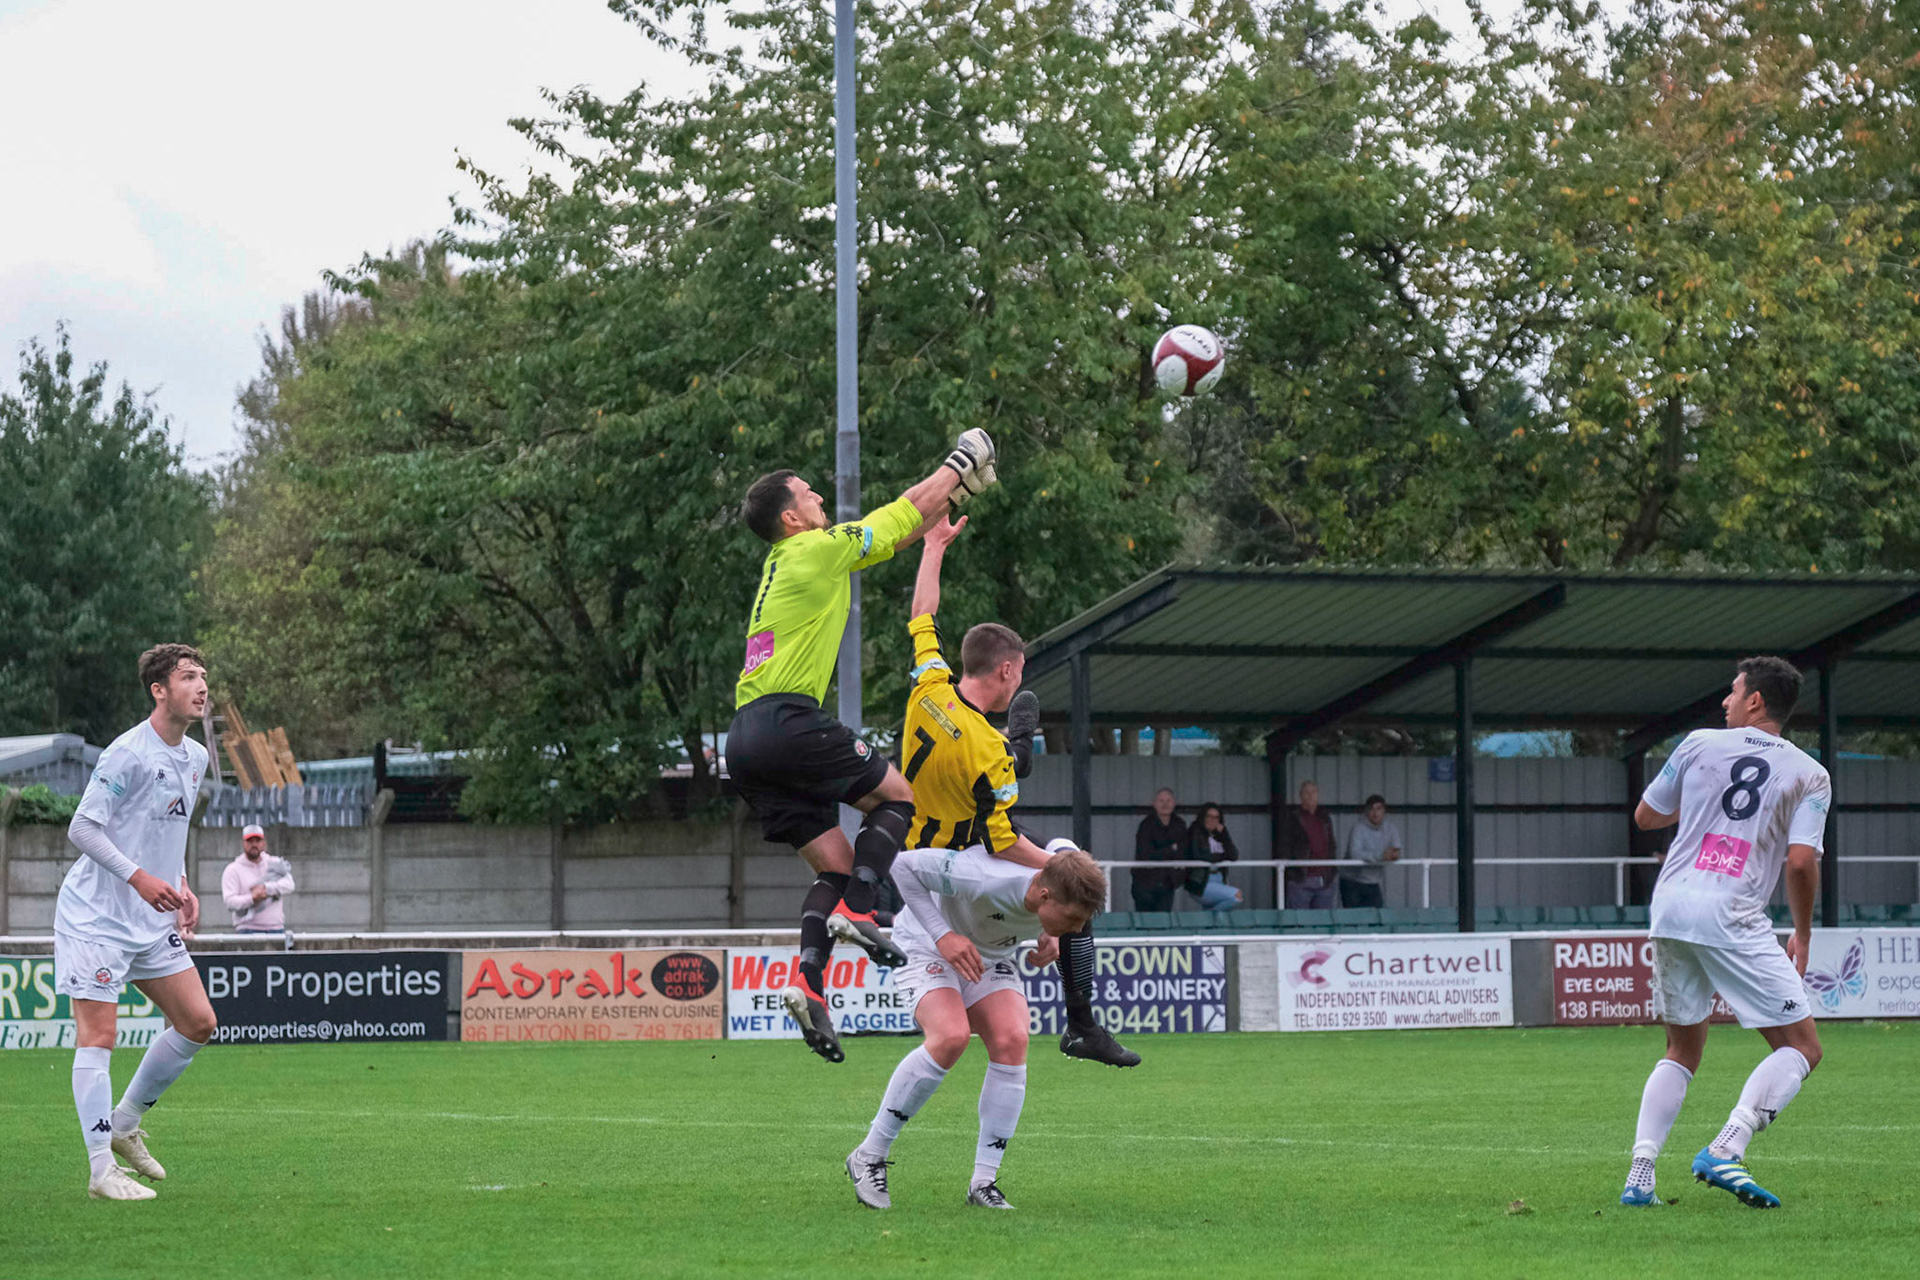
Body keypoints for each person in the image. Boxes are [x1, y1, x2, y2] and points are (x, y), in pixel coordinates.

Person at [724, 432, 997, 1063]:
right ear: (791, 518)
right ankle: (863, 912)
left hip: (746, 740)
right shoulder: (814, 549)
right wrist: (957, 464)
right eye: (808, 494)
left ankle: (807, 983)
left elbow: (897, 533)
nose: (820, 497)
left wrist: (944, 511)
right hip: (787, 720)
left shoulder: (791, 561)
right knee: (898, 797)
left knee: (837, 868)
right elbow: (896, 514)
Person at [893, 514, 1137, 1067]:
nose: (1020, 678)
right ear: (1005, 670)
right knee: (1075, 877)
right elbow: (1002, 842)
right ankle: (1082, 1025)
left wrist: (933, 548)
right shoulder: (989, 750)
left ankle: (1024, 745)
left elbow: (922, 616)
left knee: (1061, 863)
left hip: (920, 833)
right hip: (958, 856)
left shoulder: (928, 686)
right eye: (1020, 671)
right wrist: (1064, 871)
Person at [1619, 657, 1830, 1210]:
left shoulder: (1697, 744)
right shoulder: (1809, 773)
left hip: (1671, 905)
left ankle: (1640, 1176)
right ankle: (1725, 1147)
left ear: (1755, 700)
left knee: (1682, 1047)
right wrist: (1803, 934)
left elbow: (1646, 817)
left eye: (1733, 692)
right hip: (1731, 910)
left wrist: (1704, 806)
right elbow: (1801, 861)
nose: (1725, 701)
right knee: (1803, 1047)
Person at [844, 842, 1107, 1211]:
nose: (1077, 929)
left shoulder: (1057, 876)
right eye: (1073, 918)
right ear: (1044, 895)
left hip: (988, 958)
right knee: (950, 1037)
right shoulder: (983, 876)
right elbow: (903, 866)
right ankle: (869, 1155)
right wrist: (943, 935)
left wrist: (1053, 932)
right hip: (927, 947)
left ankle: (983, 1183)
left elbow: (1063, 848)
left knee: (1012, 1039)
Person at [55, 644, 218, 1202]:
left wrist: (181, 883)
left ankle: (124, 1124)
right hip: (96, 917)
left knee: (198, 1022)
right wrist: (140, 878)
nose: (202, 686)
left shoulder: (195, 756)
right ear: (159, 689)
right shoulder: (127, 753)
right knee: (100, 1036)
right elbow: (82, 829)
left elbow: (166, 831)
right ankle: (101, 1169)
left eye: (204, 677)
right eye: (188, 677)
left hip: (149, 918)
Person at [222, 824, 296, 934]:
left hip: (276, 928)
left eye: (258, 840)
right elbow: (230, 902)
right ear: (243, 843)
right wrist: (252, 898)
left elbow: (289, 885)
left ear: (264, 842)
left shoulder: (274, 863)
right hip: (246, 929)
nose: (254, 844)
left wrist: (266, 889)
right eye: (250, 841)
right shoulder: (233, 869)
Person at [1283, 780, 1338, 910]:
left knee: (1323, 920)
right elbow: (1285, 846)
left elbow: (1331, 844)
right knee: (1299, 920)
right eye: (1306, 792)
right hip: (1301, 879)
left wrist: (1332, 873)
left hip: (1325, 879)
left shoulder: (1325, 817)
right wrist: (1292, 874)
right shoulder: (1293, 818)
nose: (1310, 796)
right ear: (1300, 796)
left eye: (1313, 792)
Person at [1339, 794, 1401, 909]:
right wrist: (1381, 856)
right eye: (1371, 809)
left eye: (1379, 809)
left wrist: (1394, 855)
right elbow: (1355, 854)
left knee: (1376, 916)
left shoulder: (1391, 829)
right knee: (1353, 917)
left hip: (1373, 882)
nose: (1375, 813)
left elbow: (1396, 850)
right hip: (1352, 881)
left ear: (1384, 811)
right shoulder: (1358, 828)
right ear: (1366, 812)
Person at [1132, 788, 1186, 913]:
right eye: (1161, 801)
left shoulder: (1179, 824)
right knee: (1145, 920)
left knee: (1163, 920)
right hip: (1145, 882)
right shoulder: (1146, 825)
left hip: (1168, 882)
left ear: (1174, 803)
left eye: (1168, 801)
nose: (1165, 804)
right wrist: (1171, 849)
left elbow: (1182, 850)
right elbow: (1146, 854)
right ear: (1154, 804)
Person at [1184, 803, 1242, 912]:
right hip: (1202, 881)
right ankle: (1207, 916)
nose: (1212, 820)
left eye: (1216, 817)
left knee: (1218, 918)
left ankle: (1207, 919)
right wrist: (1222, 857)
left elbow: (1234, 855)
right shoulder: (1195, 831)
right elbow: (1199, 855)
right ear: (1203, 817)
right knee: (1236, 895)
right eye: (1209, 816)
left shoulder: (1220, 835)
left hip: (1219, 878)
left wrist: (1225, 834)